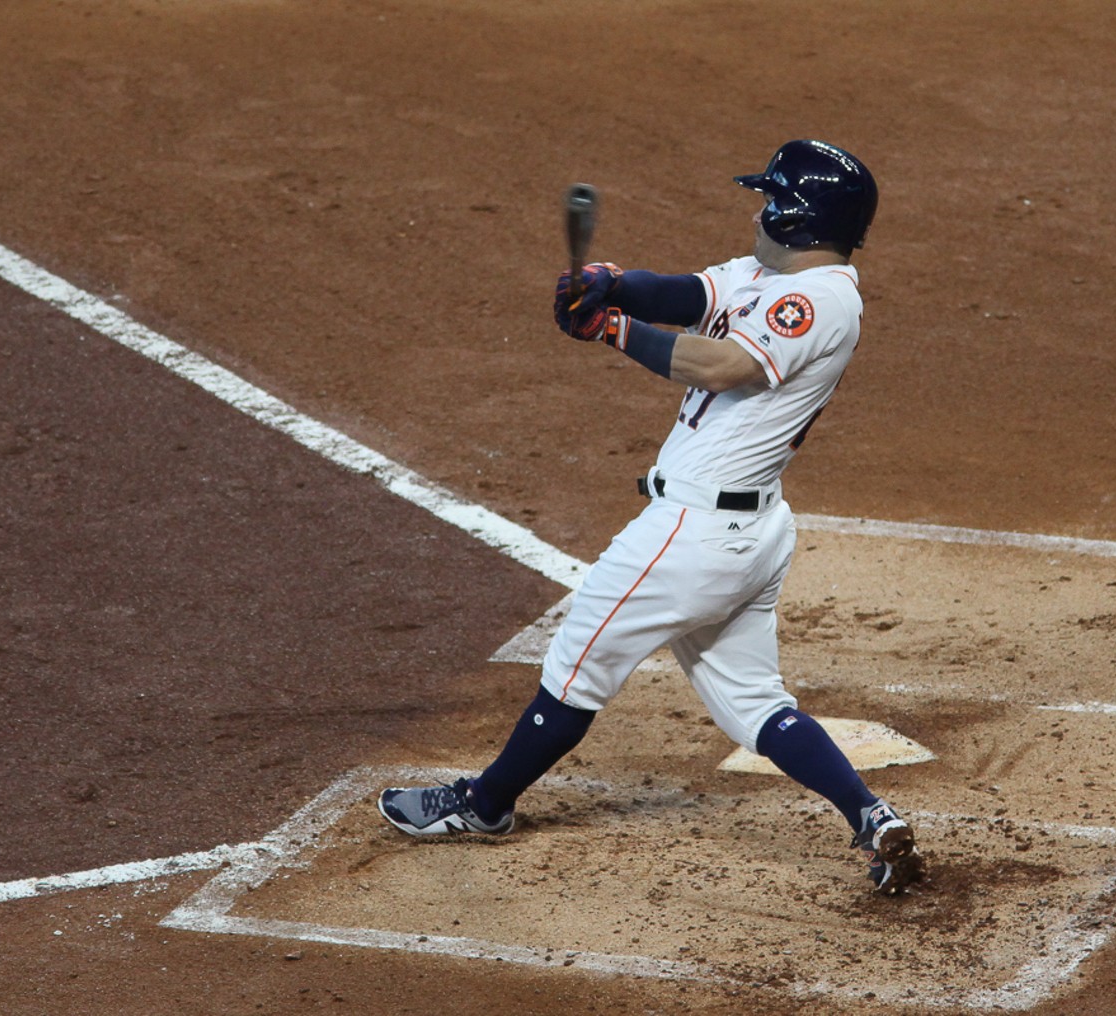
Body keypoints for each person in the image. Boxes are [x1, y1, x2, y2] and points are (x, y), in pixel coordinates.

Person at [379, 140, 924, 894]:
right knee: (757, 704)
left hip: (691, 537)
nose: (758, 209)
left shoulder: (820, 300)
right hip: (748, 534)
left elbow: (725, 363)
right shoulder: (772, 275)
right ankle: (872, 817)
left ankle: (485, 806)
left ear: (796, 218)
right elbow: (689, 295)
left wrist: (610, 330)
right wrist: (611, 285)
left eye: (769, 199)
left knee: (575, 667)